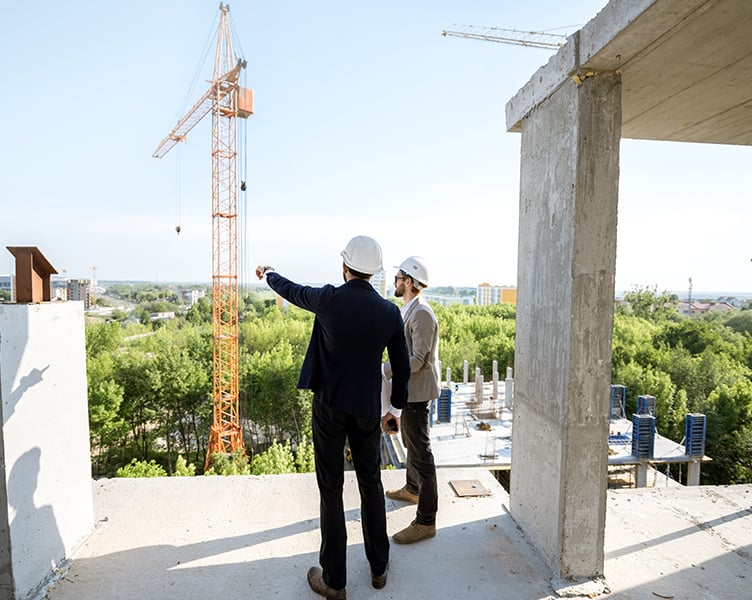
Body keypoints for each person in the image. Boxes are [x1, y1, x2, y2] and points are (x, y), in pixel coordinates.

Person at [256, 235, 410, 600]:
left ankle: (335, 581)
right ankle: (379, 567)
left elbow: (293, 291)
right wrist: (396, 411)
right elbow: (402, 369)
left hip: (329, 407)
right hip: (367, 409)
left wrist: (270, 274)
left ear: (345, 267)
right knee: (371, 484)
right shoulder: (389, 312)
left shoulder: (329, 299)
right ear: (374, 273)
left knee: (331, 489)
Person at [382, 256, 440, 545]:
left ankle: (426, 521)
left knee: (420, 453)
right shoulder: (409, 310)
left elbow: (419, 359)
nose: (394, 282)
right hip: (410, 391)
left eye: (398, 278)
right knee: (411, 443)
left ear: (410, 282)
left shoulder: (421, 314)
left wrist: (386, 369)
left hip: (417, 393)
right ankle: (412, 488)